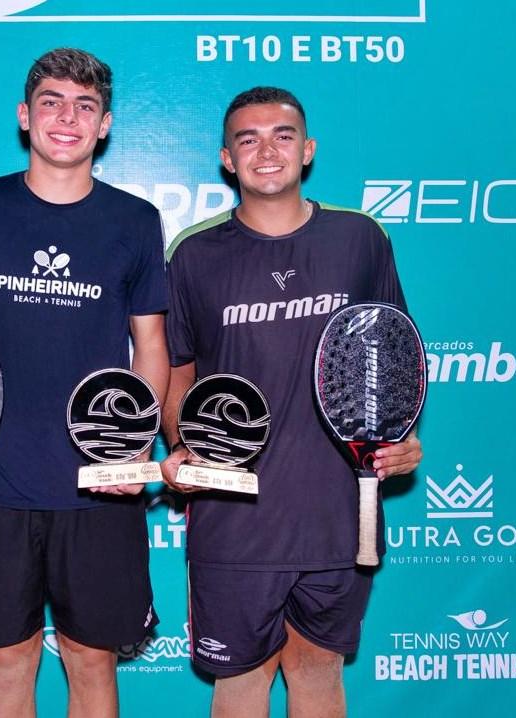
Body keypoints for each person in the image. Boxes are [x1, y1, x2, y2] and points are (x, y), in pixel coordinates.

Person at [0, 48, 169, 718]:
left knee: (90, 661)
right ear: (26, 116)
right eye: (52, 101)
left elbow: (153, 346)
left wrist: (136, 449)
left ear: (104, 125)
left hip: (97, 483)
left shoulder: (135, 222)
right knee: (10, 660)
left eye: (85, 106)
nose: (67, 117)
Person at [160, 86, 423, 718]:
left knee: (317, 671)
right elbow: (177, 373)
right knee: (242, 685)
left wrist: (401, 440)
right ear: (227, 159)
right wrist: (181, 445)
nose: (266, 150)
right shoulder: (193, 254)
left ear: (307, 150)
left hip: (337, 509)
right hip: (234, 516)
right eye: (247, 139)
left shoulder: (360, 239)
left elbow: (394, 361)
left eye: (282, 135)